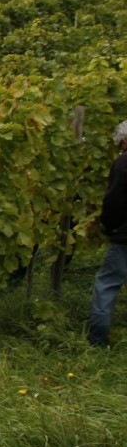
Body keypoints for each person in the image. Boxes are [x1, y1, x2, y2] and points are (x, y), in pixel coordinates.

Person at [88, 121, 127, 346]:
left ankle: (97, 341)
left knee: (107, 283)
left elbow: (114, 201)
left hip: (125, 237)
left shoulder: (123, 162)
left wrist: (109, 226)